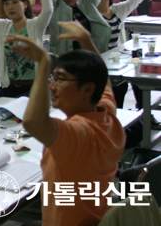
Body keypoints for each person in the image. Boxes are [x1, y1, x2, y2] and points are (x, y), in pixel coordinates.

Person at [7, 21, 125, 225]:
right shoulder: (106, 115)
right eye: (53, 78)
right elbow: (102, 79)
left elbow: (33, 122)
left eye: (61, 79)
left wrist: (43, 64)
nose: (52, 86)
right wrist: (86, 40)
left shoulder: (79, 132)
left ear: (87, 89)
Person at [80, 0, 145, 109]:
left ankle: (143, 114)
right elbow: (81, 0)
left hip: (118, 59)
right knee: (112, 91)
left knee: (136, 80)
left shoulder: (117, 10)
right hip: (99, 60)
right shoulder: (90, 12)